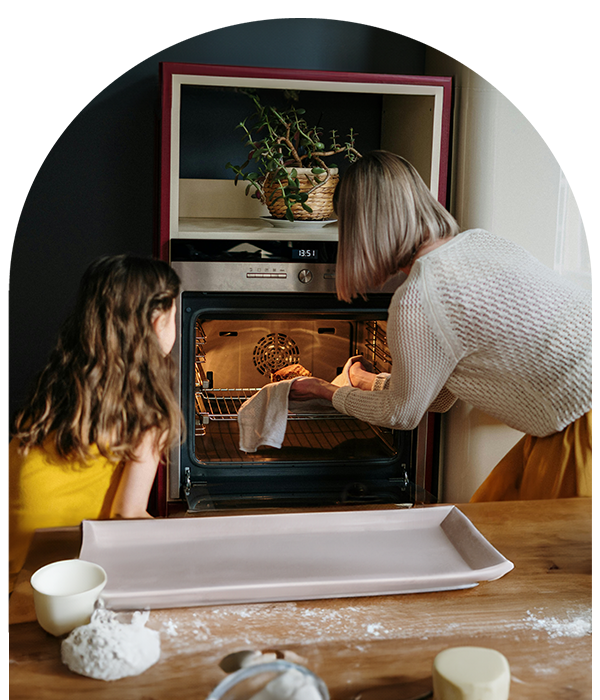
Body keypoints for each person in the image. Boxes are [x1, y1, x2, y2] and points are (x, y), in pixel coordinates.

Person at [289, 150, 592, 502]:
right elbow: (444, 393)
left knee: (533, 548)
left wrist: (326, 390)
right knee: (487, 518)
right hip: (575, 412)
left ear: (362, 229)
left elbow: (402, 414)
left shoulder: (417, 298)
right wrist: (366, 381)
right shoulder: (481, 242)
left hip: (580, 425)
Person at [8, 254, 182, 592]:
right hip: (61, 573)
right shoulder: (147, 410)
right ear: (158, 320)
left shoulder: (56, 385)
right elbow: (127, 514)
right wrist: (179, 544)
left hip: (14, 564)